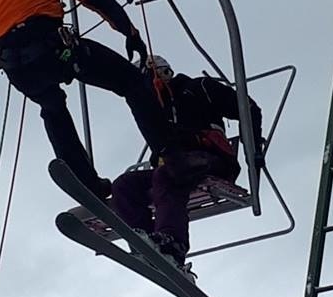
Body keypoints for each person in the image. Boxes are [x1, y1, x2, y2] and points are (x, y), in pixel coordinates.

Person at [0, 0, 170, 198]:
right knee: (132, 82)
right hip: (54, 47)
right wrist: (130, 33)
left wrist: (18, 56)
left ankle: (86, 184)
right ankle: (167, 153)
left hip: (17, 67)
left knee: (53, 109)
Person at [112, 55, 264, 270]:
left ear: (164, 73)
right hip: (173, 168)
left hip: (211, 160)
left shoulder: (199, 88)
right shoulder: (152, 109)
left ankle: (173, 244)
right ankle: (145, 243)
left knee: (168, 173)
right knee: (124, 185)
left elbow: (249, 109)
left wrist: (254, 151)